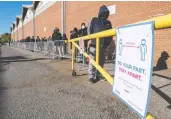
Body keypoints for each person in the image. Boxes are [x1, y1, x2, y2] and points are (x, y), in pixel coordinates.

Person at [87, 5, 111, 83]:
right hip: (94, 44)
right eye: (103, 13)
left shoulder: (108, 22)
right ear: (100, 12)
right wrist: (92, 39)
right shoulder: (94, 20)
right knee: (92, 61)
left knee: (101, 61)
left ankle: (98, 75)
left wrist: (107, 44)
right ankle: (91, 76)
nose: (104, 14)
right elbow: (89, 29)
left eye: (106, 13)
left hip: (103, 46)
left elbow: (110, 34)